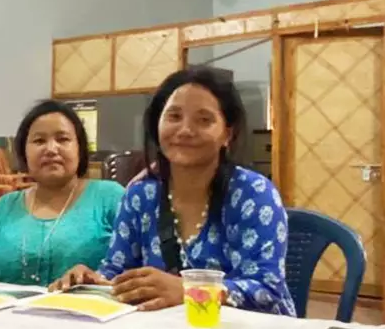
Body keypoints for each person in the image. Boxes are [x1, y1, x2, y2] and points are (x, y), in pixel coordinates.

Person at [53, 68, 292, 315]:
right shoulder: (140, 195)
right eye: (174, 116)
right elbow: (118, 271)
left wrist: (190, 291)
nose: (185, 130)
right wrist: (92, 281)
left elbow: (267, 289)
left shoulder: (253, 194)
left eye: (204, 120)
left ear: (227, 134)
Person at [0, 101, 124, 286]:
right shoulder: (3, 208)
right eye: (39, 141)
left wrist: (97, 278)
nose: (51, 149)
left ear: (80, 148)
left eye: (63, 139)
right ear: (24, 152)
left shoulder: (111, 198)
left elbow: (137, 272)